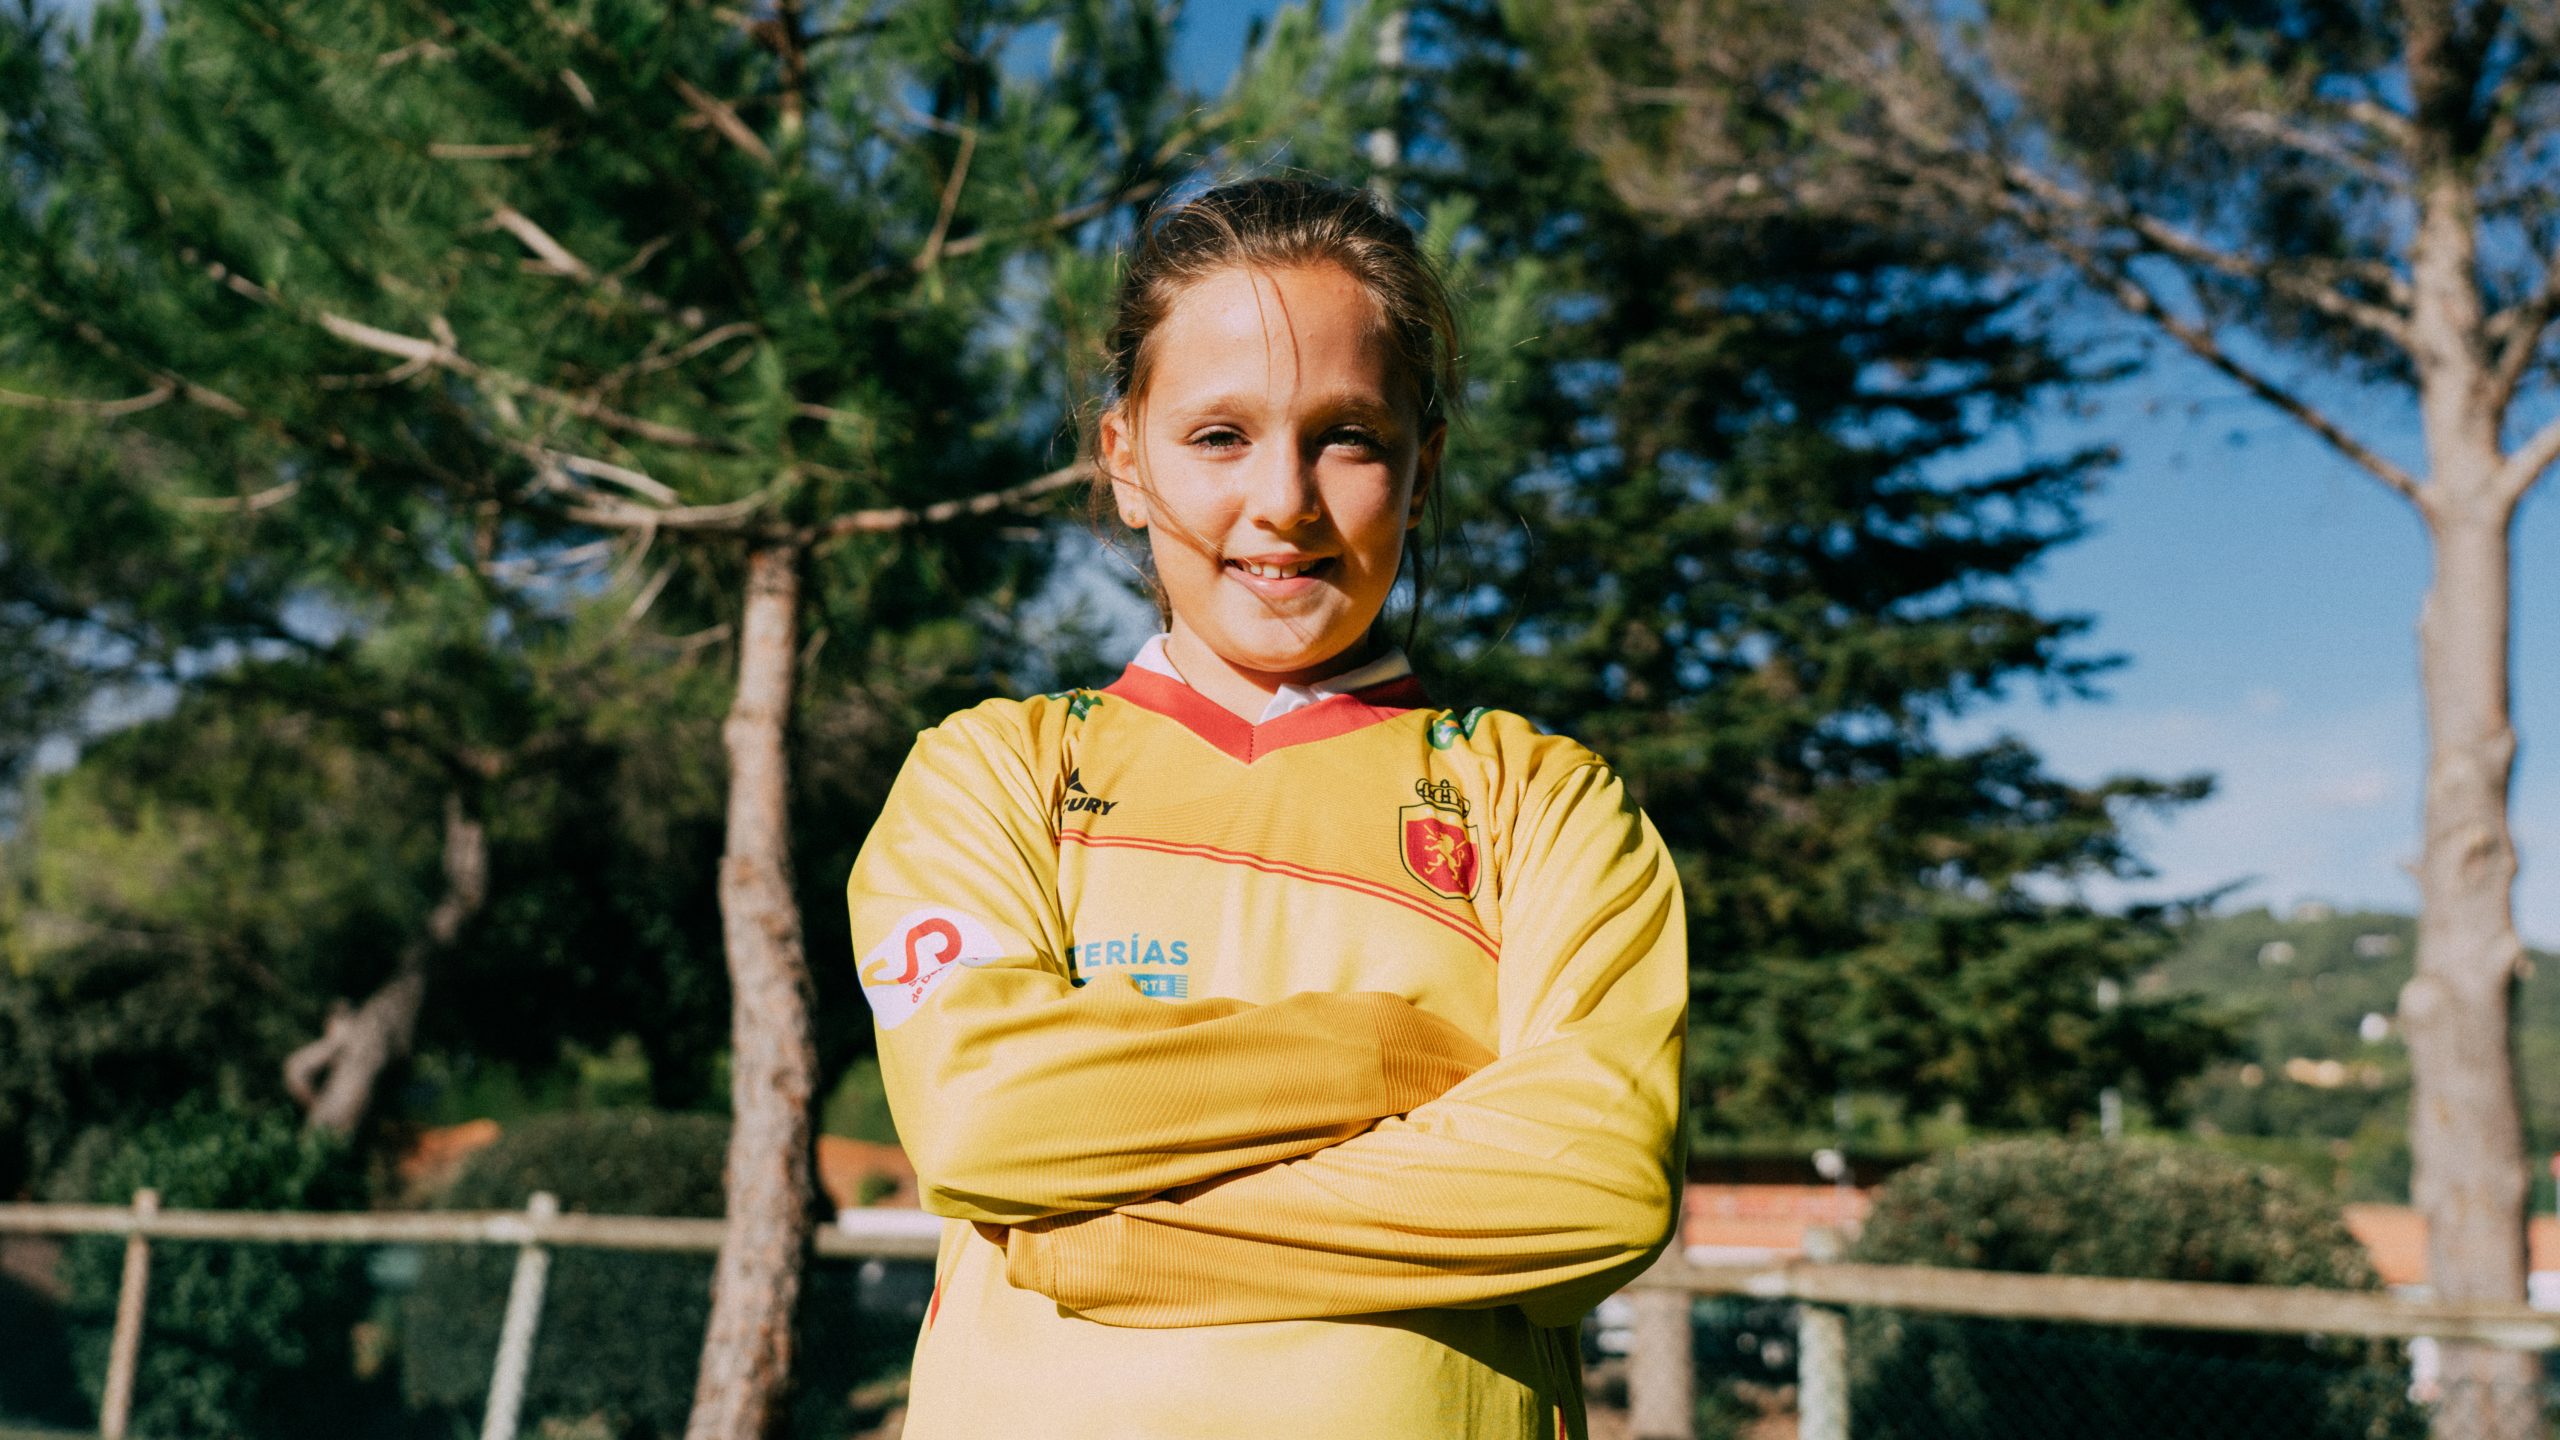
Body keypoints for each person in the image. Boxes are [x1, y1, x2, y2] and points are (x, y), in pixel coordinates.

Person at [844, 176, 1688, 1440]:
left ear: (1419, 467)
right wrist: (1398, 1059)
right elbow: (984, 1122)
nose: (1284, 502)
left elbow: (1592, 1184)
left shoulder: (1548, 804)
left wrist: (1114, 1238)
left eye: (1347, 435)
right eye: (1219, 436)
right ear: (1124, 459)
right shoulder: (992, 772)